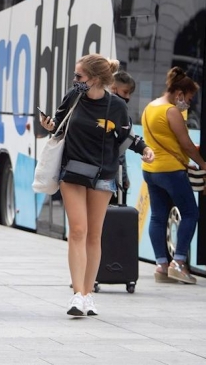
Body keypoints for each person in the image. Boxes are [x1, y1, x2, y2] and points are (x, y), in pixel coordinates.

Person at [40, 54, 151, 317]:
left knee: (94, 234)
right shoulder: (73, 97)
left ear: (96, 79)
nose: (75, 81)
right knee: (78, 230)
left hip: (103, 174)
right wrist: (49, 125)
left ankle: (88, 294)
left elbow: (126, 136)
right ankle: (77, 295)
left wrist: (144, 148)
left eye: (79, 77)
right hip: (72, 170)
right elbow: (58, 125)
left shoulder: (116, 106)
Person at [141, 67, 206, 285]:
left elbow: (164, 139)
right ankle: (179, 263)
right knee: (190, 213)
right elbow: (186, 145)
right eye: (189, 98)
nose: (188, 103)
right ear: (179, 93)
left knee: (157, 216)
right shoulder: (171, 111)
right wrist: (203, 164)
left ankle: (161, 266)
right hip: (171, 171)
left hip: (151, 171)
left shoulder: (149, 107)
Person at [111, 71, 154, 203]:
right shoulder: (111, 111)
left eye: (130, 93)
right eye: (125, 92)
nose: (128, 97)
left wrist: (124, 178)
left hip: (112, 179)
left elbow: (128, 141)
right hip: (105, 180)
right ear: (113, 89)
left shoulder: (122, 114)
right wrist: (123, 178)